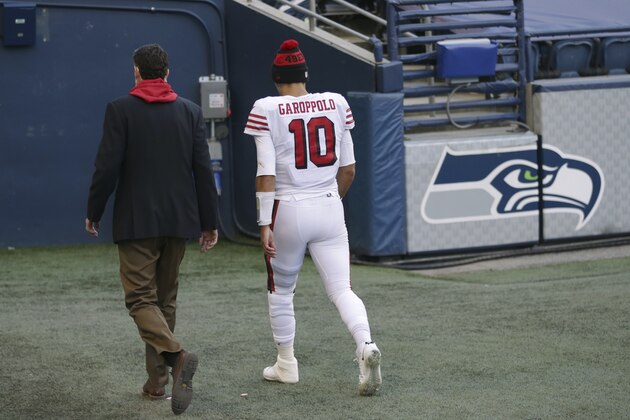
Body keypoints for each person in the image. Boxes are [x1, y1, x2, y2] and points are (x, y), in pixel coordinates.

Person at [85, 43, 219, 415]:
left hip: (136, 221)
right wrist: (209, 222)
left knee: (140, 300)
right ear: (168, 73)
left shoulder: (120, 110)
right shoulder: (191, 112)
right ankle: (156, 384)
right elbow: (203, 171)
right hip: (179, 221)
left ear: (136, 72)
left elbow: (106, 168)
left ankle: (176, 358)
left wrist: (94, 210)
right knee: (164, 301)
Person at [244, 39, 382, 396]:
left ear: (277, 78)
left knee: (281, 291)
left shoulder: (267, 108)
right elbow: (349, 169)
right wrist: (328, 200)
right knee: (341, 289)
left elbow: (265, 173)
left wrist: (264, 222)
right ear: (305, 75)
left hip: (287, 207)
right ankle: (365, 345)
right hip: (328, 203)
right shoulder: (336, 103)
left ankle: (287, 363)